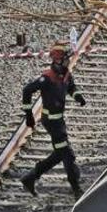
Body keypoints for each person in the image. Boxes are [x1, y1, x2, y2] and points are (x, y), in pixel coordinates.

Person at [20, 42, 86, 199]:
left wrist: (78, 97)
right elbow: (27, 90)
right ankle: (76, 188)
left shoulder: (65, 75)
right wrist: (29, 115)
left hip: (59, 121)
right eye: (65, 59)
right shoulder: (47, 78)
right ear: (57, 60)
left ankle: (30, 178)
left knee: (59, 153)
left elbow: (71, 87)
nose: (67, 61)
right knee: (67, 154)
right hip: (51, 121)